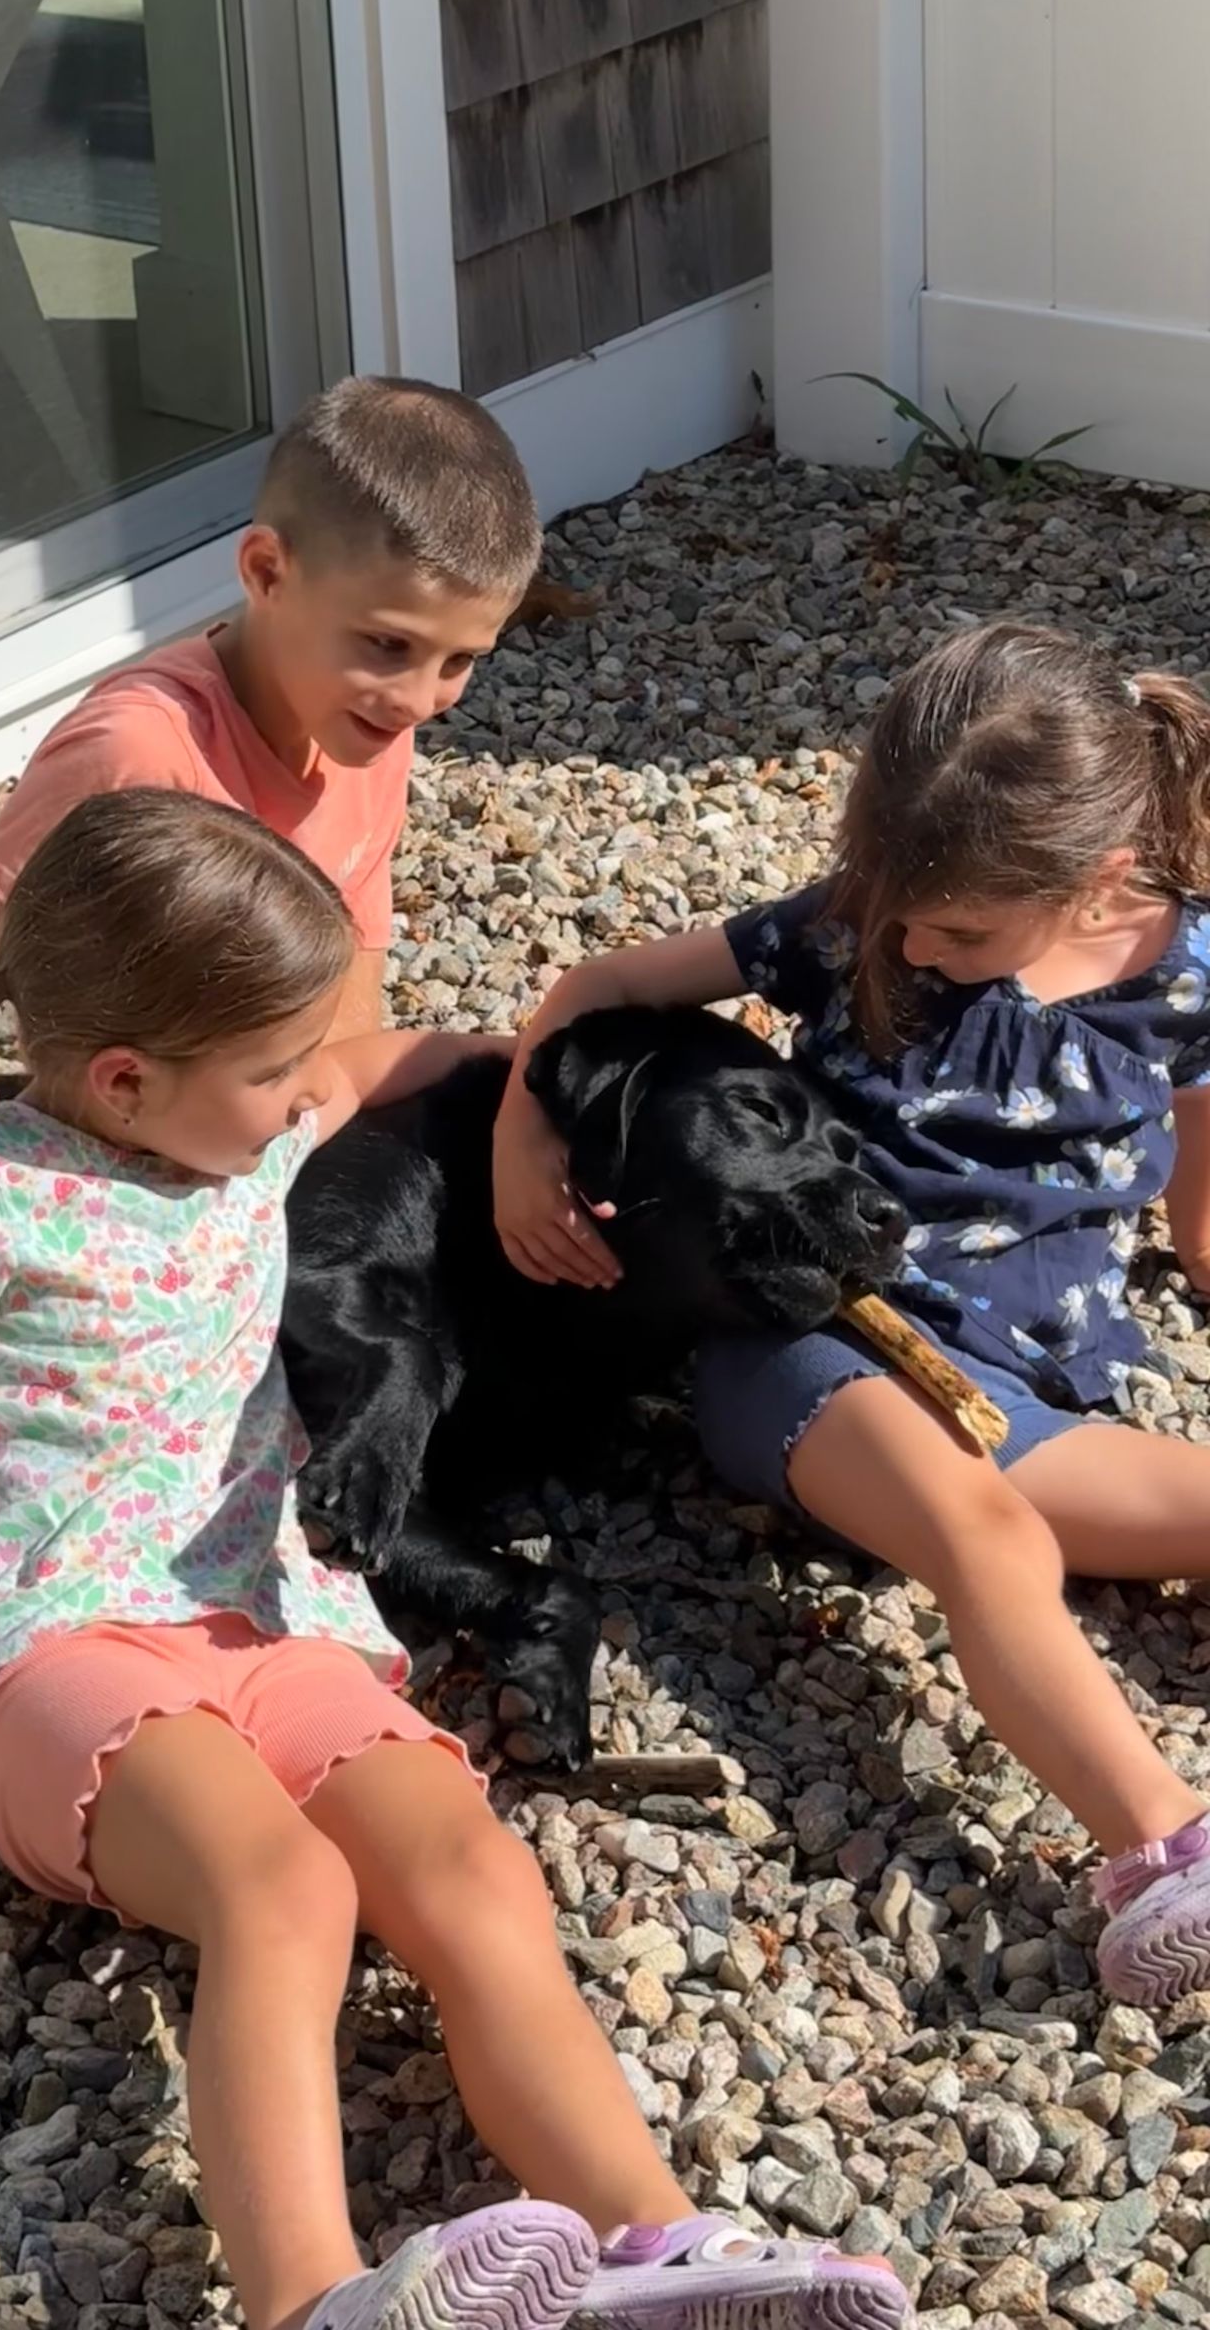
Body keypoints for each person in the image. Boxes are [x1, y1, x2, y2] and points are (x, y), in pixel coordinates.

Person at [0, 789, 908, 2330]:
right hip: (61, 1646)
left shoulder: (242, 1125)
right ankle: (310, 2299)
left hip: (276, 1621)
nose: (309, 1089)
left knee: (475, 1869)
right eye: (275, 1067)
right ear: (125, 1078)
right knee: (285, 1889)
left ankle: (656, 2247)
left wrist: (526, 1134)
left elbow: (421, 1056)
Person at [493, 618, 1210, 2008]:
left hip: (1022, 1389)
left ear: (1103, 874)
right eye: (895, 907)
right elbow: (605, 984)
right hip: (811, 1339)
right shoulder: (854, 923)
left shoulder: (1187, 973)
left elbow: (1202, 1144)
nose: (911, 942)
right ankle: (1160, 1847)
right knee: (989, 1539)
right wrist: (525, 1130)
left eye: (957, 931)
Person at [0, 376, 542, 1097]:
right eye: (387, 644)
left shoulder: (371, 729)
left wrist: (334, 1132)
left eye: (459, 660)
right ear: (267, 572)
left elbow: (351, 980)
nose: (418, 700)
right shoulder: (138, 753)